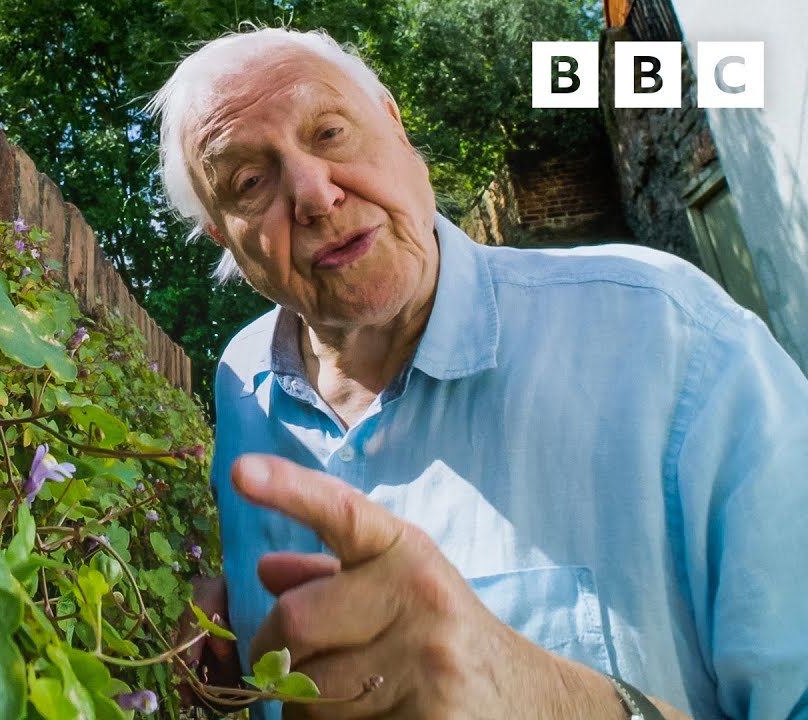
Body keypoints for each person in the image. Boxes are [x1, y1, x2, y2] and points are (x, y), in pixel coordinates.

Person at [147, 26, 808, 720]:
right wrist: (235, 611)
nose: (314, 194)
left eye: (332, 131)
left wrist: (554, 696)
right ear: (224, 233)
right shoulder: (242, 384)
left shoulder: (673, 338)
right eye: (250, 181)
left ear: (397, 128)